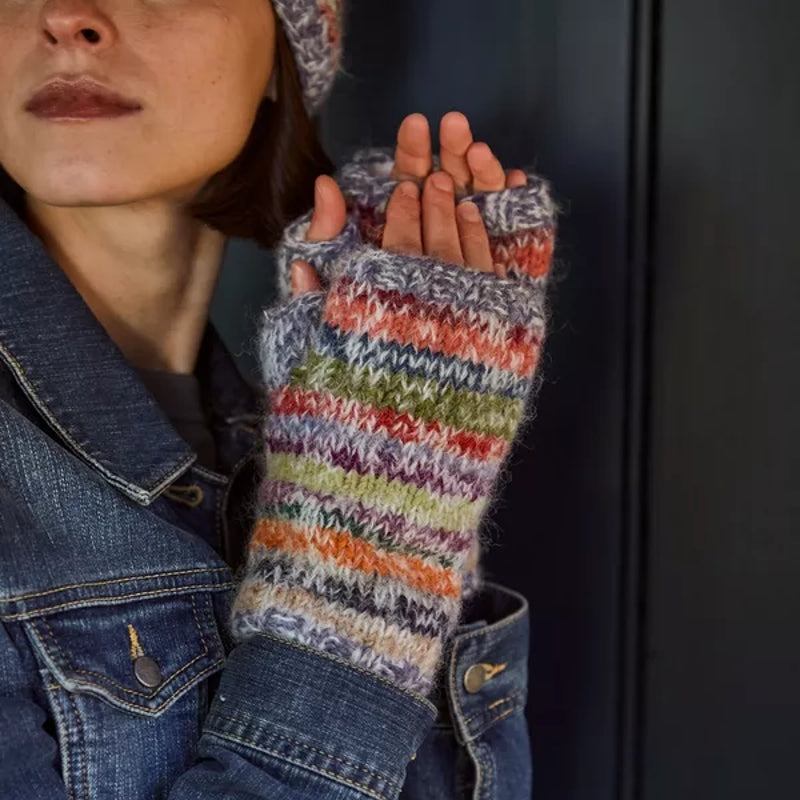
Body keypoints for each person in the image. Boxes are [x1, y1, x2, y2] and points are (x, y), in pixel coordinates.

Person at [0, 1, 556, 798]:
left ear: (284, 54)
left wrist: (386, 439)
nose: (67, 16)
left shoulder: (268, 440)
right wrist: (363, 568)